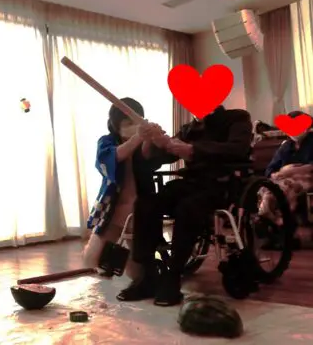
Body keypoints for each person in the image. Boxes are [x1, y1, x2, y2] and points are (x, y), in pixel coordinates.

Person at [116, 106, 253, 306]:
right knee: (146, 203)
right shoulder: (189, 128)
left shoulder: (237, 118)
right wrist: (152, 142)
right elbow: (158, 159)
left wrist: (192, 150)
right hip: (190, 183)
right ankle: (148, 274)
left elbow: (238, 149)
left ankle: (173, 276)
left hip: (221, 184)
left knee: (187, 208)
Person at [83, 98, 166, 280]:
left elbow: (149, 159)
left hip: (140, 204)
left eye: (137, 121)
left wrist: (153, 139)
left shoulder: (143, 141)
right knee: (94, 256)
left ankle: (142, 276)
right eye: (128, 123)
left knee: (138, 255)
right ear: (117, 124)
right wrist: (138, 137)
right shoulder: (107, 141)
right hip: (113, 204)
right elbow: (110, 158)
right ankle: (115, 265)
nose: (133, 127)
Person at [260, 111, 313, 222]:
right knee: (268, 187)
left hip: (306, 179)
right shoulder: (286, 146)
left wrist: (290, 171)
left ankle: (282, 217)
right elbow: (270, 169)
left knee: (289, 186)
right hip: (282, 179)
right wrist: (279, 173)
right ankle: (269, 215)